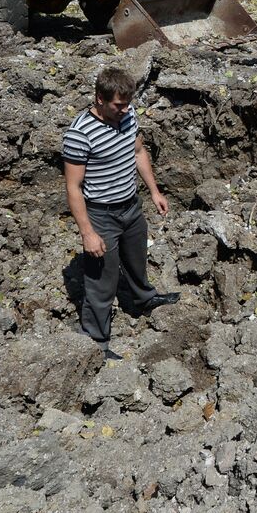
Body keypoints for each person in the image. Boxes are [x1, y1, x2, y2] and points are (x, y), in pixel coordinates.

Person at [63, 66, 177, 355]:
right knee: (102, 282)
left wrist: (154, 191)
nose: (125, 110)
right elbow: (74, 188)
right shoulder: (79, 134)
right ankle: (96, 341)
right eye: (118, 105)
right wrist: (87, 233)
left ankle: (143, 300)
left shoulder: (128, 115)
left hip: (131, 206)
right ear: (99, 99)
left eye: (128, 104)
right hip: (102, 214)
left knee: (137, 259)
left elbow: (138, 151)